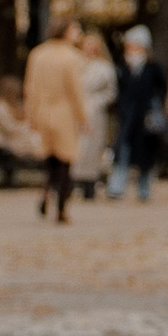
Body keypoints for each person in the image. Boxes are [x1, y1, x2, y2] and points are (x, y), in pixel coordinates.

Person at [22, 16, 91, 223]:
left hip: (43, 112)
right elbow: (75, 91)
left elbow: (30, 88)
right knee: (65, 162)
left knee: (51, 161)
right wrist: (83, 118)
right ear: (66, 31)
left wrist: (31, 115)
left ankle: (45, 194)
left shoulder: (37, 54)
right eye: (75, 29)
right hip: (64, 114)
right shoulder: (71, 57)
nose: (78, 34)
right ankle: (61, 207)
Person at [111, 24, 167, 202]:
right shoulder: (123, 67)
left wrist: (155, 105)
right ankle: (116, 187)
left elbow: (162, 88)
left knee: (145, 156)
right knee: (122, 152)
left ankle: (144, 190)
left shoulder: (152, 67)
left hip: (145, 118)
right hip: (128, 117)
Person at [75, 27, 118, 202]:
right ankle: (73, 182)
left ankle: (89, 185)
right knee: (77, 147)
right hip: (76, 111)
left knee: (92, 148)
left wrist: (96, 102)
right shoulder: (75, 63)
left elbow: (111, 92)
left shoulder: (104, 67)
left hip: (95, 112)